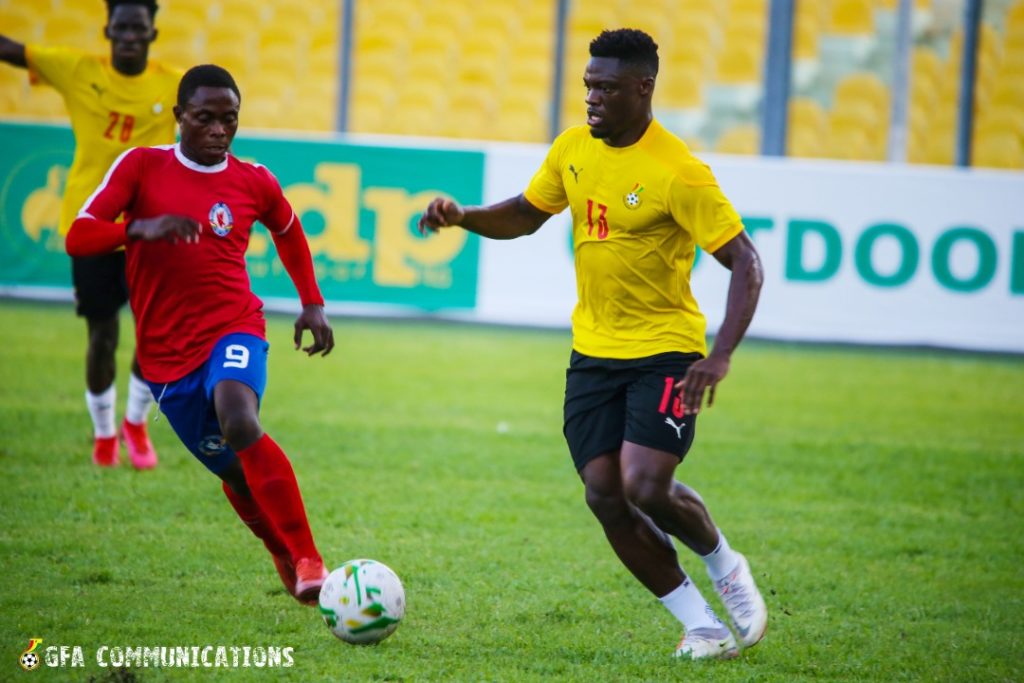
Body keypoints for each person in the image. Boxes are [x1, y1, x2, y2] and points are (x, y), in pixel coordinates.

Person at [418, 29, 768, 660]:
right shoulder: (572, 150)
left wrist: (719, 355)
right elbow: (526, 214)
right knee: (603, 493)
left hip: (667, 350)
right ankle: (704, 627)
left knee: (645, 484)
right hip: (594, 353)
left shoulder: (679, 171)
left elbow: (746, 263)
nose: (592, 98)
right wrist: (465, 217)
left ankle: (724, 564)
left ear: (643, 88)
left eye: (606, 88)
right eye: (587, 85)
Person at [66, 64, 332, 604]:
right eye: (205, 118)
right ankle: (279, 548)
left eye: (229, 120)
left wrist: (312, 304)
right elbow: (78, 235)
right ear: (179, 117)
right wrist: (137, 229)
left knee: (238, 415)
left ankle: (310, 558)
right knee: (236, 474)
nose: (218, 130)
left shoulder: (253, 179)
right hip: (166, 358)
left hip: (235, 326)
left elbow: (287, 229)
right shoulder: (141, 167)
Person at [0, 0, 181, 469]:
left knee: (154, 335)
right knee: (102, 335)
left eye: (137, 28)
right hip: (93, 224)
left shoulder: (173, 83)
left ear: (152, 34)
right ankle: (104, 436)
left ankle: (136, 426)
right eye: (120, 28)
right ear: (106, 30)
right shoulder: (78, 69)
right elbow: (11, 48)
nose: (128, 36)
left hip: (151, 228)